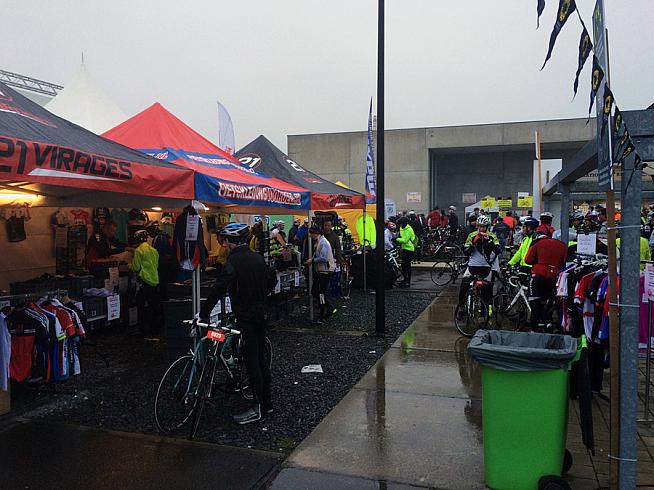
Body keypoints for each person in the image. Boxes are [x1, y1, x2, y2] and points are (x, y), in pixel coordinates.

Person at [200, 223, 278, 424]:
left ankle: (258, 407)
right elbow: (272, 280)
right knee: (260, 360)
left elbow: (219, 288)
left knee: (252, 362)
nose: (223, 244)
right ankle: (266, 404)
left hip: (247, 316)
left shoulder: (234, 261)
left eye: (225, 240)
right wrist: (261, 295)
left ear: (231, 241)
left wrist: (204, 313)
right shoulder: (257, 257)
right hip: (262, 314)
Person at [457, 215, 501, 320]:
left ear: (487, 227)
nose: (481, 229)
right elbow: (466, 251)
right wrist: (472, 244)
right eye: (479, 226)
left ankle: (484, 314)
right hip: (473, 266)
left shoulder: (492, 236)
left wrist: (488, 242)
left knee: (487, 291)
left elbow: (497, 250)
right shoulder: (472, 235)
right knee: (464, 286)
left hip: (486, 267)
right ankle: (461, 308)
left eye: (483, 227)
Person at [524, 231, 568, 332]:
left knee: (535, 302)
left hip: (538, 274)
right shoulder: (563, 246)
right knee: (547, 301)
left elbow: (528, 259)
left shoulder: (539, 242)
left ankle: (534, 329)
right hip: (553, 276)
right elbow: (563, 263)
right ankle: (548, 322)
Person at [130, 230, 160, 335]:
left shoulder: (139, 251)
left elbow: (136, 267)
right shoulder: (154, 250)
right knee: (153, 305)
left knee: (141, 305)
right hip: (154, 281)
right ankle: (154, 328)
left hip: (144, 281)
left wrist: (128, 265)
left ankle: (142, 328)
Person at [304, 224, 336, 323]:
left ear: (315, 233)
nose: (310, 235)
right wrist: (312, 260)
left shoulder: (323, 243)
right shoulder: (319, 242)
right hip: (322, 270)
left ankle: (325, 311)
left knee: (321, 293)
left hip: (325, 271)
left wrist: (312, 261)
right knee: (316, 292)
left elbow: (323, 258)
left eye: (311, 233)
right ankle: (327, 308)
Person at [395, 217, 417, 288]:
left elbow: (405, 240)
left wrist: (397, 239)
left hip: (409, 249)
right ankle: (405, 280)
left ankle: (407, 281)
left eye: (401, 224)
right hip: (404, 248)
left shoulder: (409, 230)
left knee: (407, 266)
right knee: (403, 266)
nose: (400, 225)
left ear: (404, 223)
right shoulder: (402, 228)